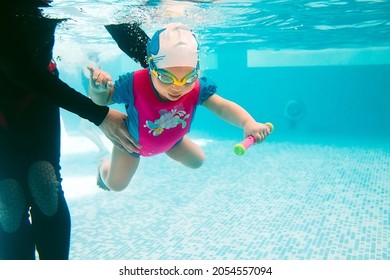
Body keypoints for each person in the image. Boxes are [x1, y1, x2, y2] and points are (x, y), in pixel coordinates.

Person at [0, 0, 133, 259]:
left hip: (38, 88)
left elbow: (113, 16)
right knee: (8, 198)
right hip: (26, 80)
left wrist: (160, 62)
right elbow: (16, 67)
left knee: (44, 183)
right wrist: (100, 114)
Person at [88, 22, 271, 192]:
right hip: (131, 143)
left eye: (189, 78)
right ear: (151, 69)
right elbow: (103, 100)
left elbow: (222, 107)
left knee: (197, 161)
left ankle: (164, 144)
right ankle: (102, 167)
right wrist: (98, 89)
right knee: (116, 185)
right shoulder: (134, 83)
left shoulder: (197, 87)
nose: (178, 87)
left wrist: (248, 122)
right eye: (166, 78)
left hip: (173, 141)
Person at [79, 53, 109, 156]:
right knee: (87, 128)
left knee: (84, 128)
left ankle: (103, 148)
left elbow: (92, 77)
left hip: (92, 99)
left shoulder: (90, 65)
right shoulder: (94, 65)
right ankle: (102, 148)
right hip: (94, 98)